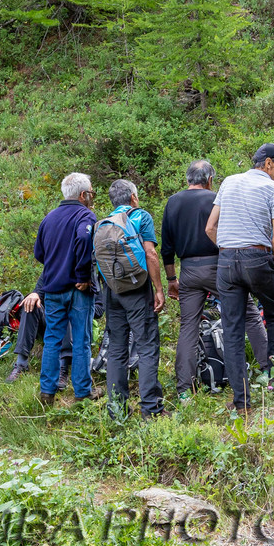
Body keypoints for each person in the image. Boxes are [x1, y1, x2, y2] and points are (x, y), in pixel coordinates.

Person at [161, 160, 270, 397]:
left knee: (188, 325)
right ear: (210, 180)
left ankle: (184, 390)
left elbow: (166, 246)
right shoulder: (215, 199)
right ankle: (269, 371)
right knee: (250, 314)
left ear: (187, 179)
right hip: (218, 265)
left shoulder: (173, 202)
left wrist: (171, 279)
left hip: (188, 270)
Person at [204, 144, 274, 411]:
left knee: (232, 329)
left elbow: (210, 227)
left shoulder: (229, 182)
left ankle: (241, 401)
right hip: (257, 257)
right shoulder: (273, 189)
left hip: (227, 260)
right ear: (268, 163)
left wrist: (227, 249)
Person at [99, 179, 165, 418]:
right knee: (147, 346)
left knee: (116, 349)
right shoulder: (140, 217)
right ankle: (151, 409)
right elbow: (150, 253)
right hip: (137, 289)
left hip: (113, 291)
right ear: (133, 197)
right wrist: (159, 288)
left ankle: (117, 412)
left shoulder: (103, 223)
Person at [31, 172, 98, 407]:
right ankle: (82, 392)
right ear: (83, 194)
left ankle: (47, 393)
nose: (91, 196)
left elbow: (39, 253)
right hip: (77, 289)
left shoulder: (48, 219)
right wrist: (82, 274)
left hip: (52, 289)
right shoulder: (85, 215)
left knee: (52, 340)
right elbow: (83, 238)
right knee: (81, 340)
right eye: (90, 191)